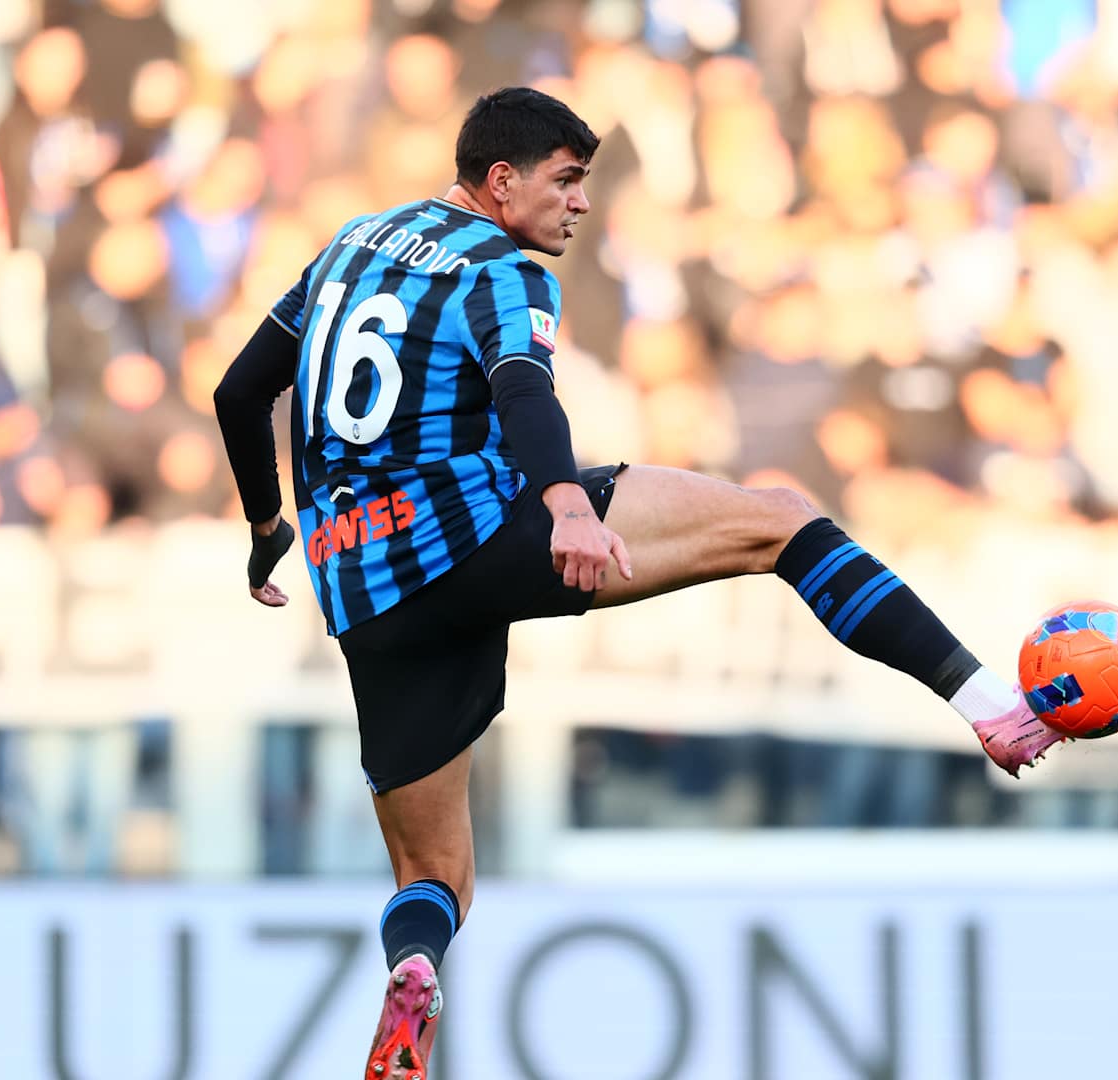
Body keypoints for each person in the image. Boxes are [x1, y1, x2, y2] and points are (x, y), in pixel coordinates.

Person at [213, 87, 1052, 1079]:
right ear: (501, 181)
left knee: (433, 873)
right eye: (566, 182)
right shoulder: (504, 271)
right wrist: (568, 506)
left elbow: (240, 389)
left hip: (364, 585)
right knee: (781, 524)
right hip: (485, 533)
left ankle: (413, 971)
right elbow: (524, 388)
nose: (579, 204)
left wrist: (267, 524)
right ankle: (989, 704)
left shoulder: (349, 245)